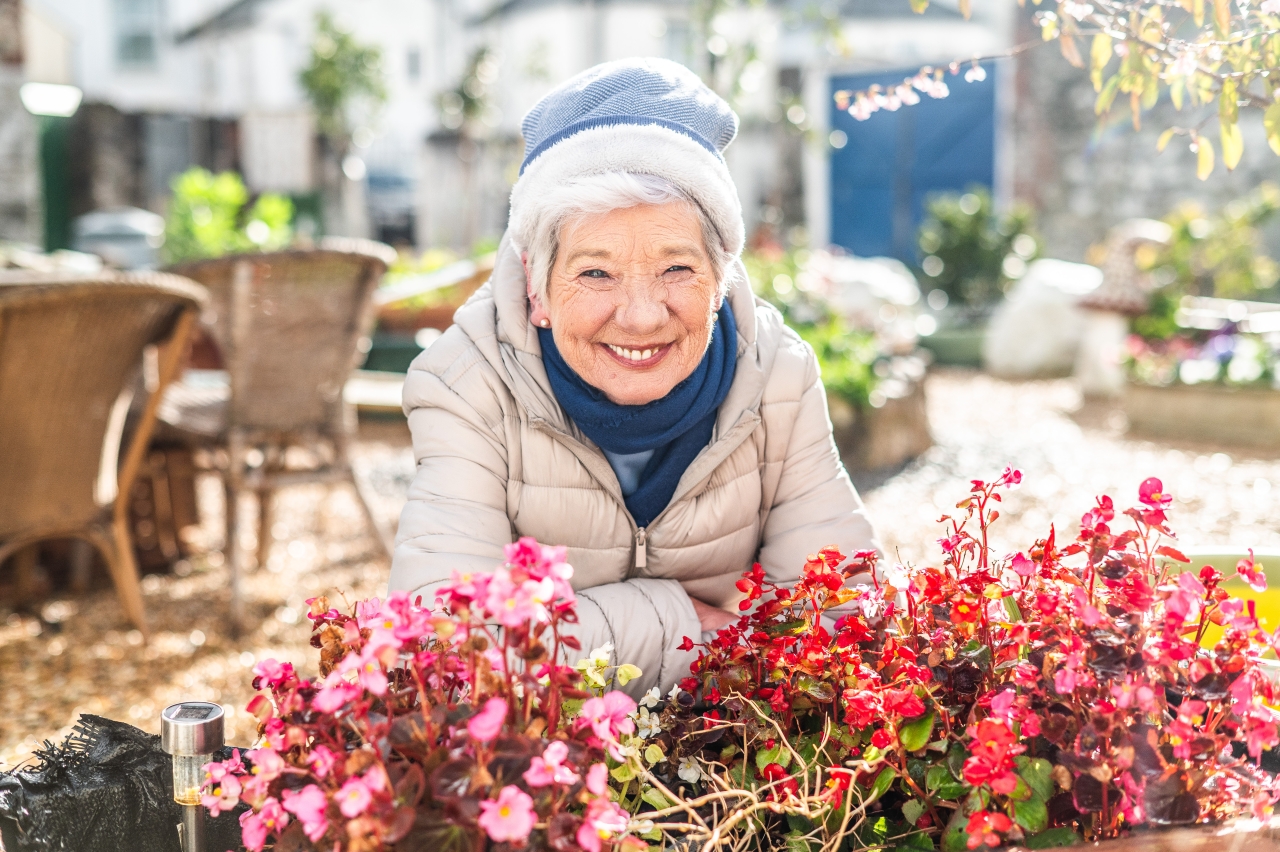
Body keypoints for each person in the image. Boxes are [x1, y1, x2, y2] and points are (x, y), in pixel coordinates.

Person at [390, 58, 878, 695]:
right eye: (596, 273)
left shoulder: (777, 376)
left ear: (720, 278)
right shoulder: (467, 385)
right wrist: (685, 628)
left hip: (739, 755)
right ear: (537, 288)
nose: (643, 316)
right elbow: (447, 652)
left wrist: (581, 639)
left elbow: (843, 627)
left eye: (677, 269)